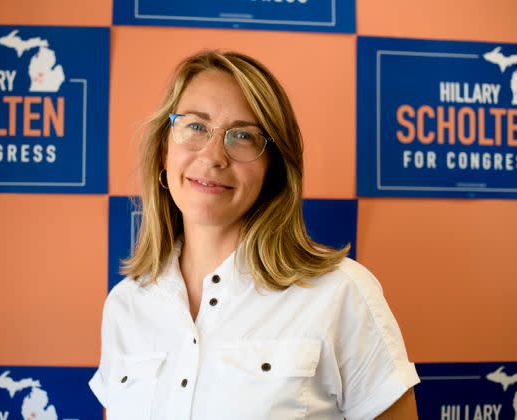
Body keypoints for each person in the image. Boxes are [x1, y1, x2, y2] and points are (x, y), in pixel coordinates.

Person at [89, 50, 420, 419]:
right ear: (163, 152)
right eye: (195, 126)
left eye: (243, 136)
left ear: (272, 171)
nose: (214, 156)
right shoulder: (126, 305)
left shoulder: (341, 293)